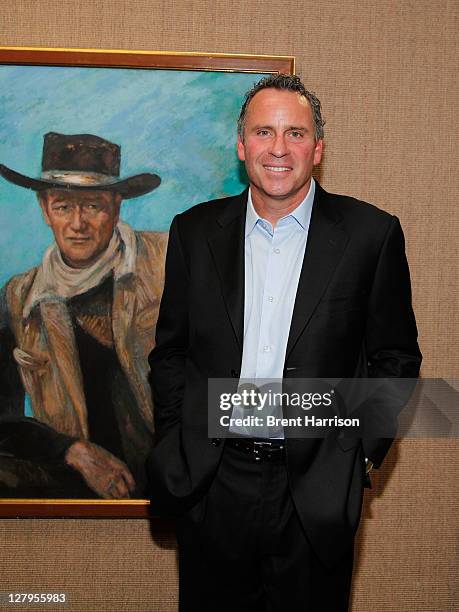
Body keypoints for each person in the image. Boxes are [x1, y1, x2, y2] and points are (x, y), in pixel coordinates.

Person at [147, 75, 422, 611]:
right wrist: (178, 439)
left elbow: (396, 358)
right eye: (264, 132)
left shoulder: (371, 234)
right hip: (214, 482)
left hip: (316, 492)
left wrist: (358, 455)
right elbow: (171, 352)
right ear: (241, 144)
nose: (278, 148)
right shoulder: (193, 231)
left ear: (317, 149)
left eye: (295, 133)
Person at [0, 132, 167, 499]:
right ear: (45, 209)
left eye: (92, 206)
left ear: (117, 206)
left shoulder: (167, 261)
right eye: (63, 206)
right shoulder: (18, 299)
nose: (78, 223)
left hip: (174, 479)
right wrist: (71, 451)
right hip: (81, 486)